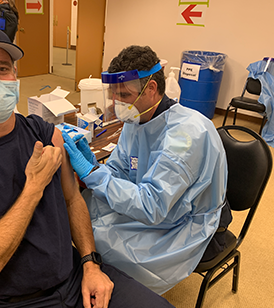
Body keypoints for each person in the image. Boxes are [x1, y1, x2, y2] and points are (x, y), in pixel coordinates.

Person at [0, 22, 173, 308]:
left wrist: (90, 263)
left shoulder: (42, 132)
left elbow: (72, 199)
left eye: (3, 68)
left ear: (15, 75)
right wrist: (33, 188)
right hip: (15, 301)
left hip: (76, 278)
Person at [62, 45, 232, 295]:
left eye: (124, 95)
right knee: (78, 211)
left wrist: (93, 175)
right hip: (151, 201)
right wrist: (96, 168)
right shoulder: (138, 117)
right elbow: (120, 171)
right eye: (114, 94)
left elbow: (153, 206)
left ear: (151, 88)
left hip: (183, 220)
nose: (116, 103)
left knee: (100, 241)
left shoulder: (186, 135)